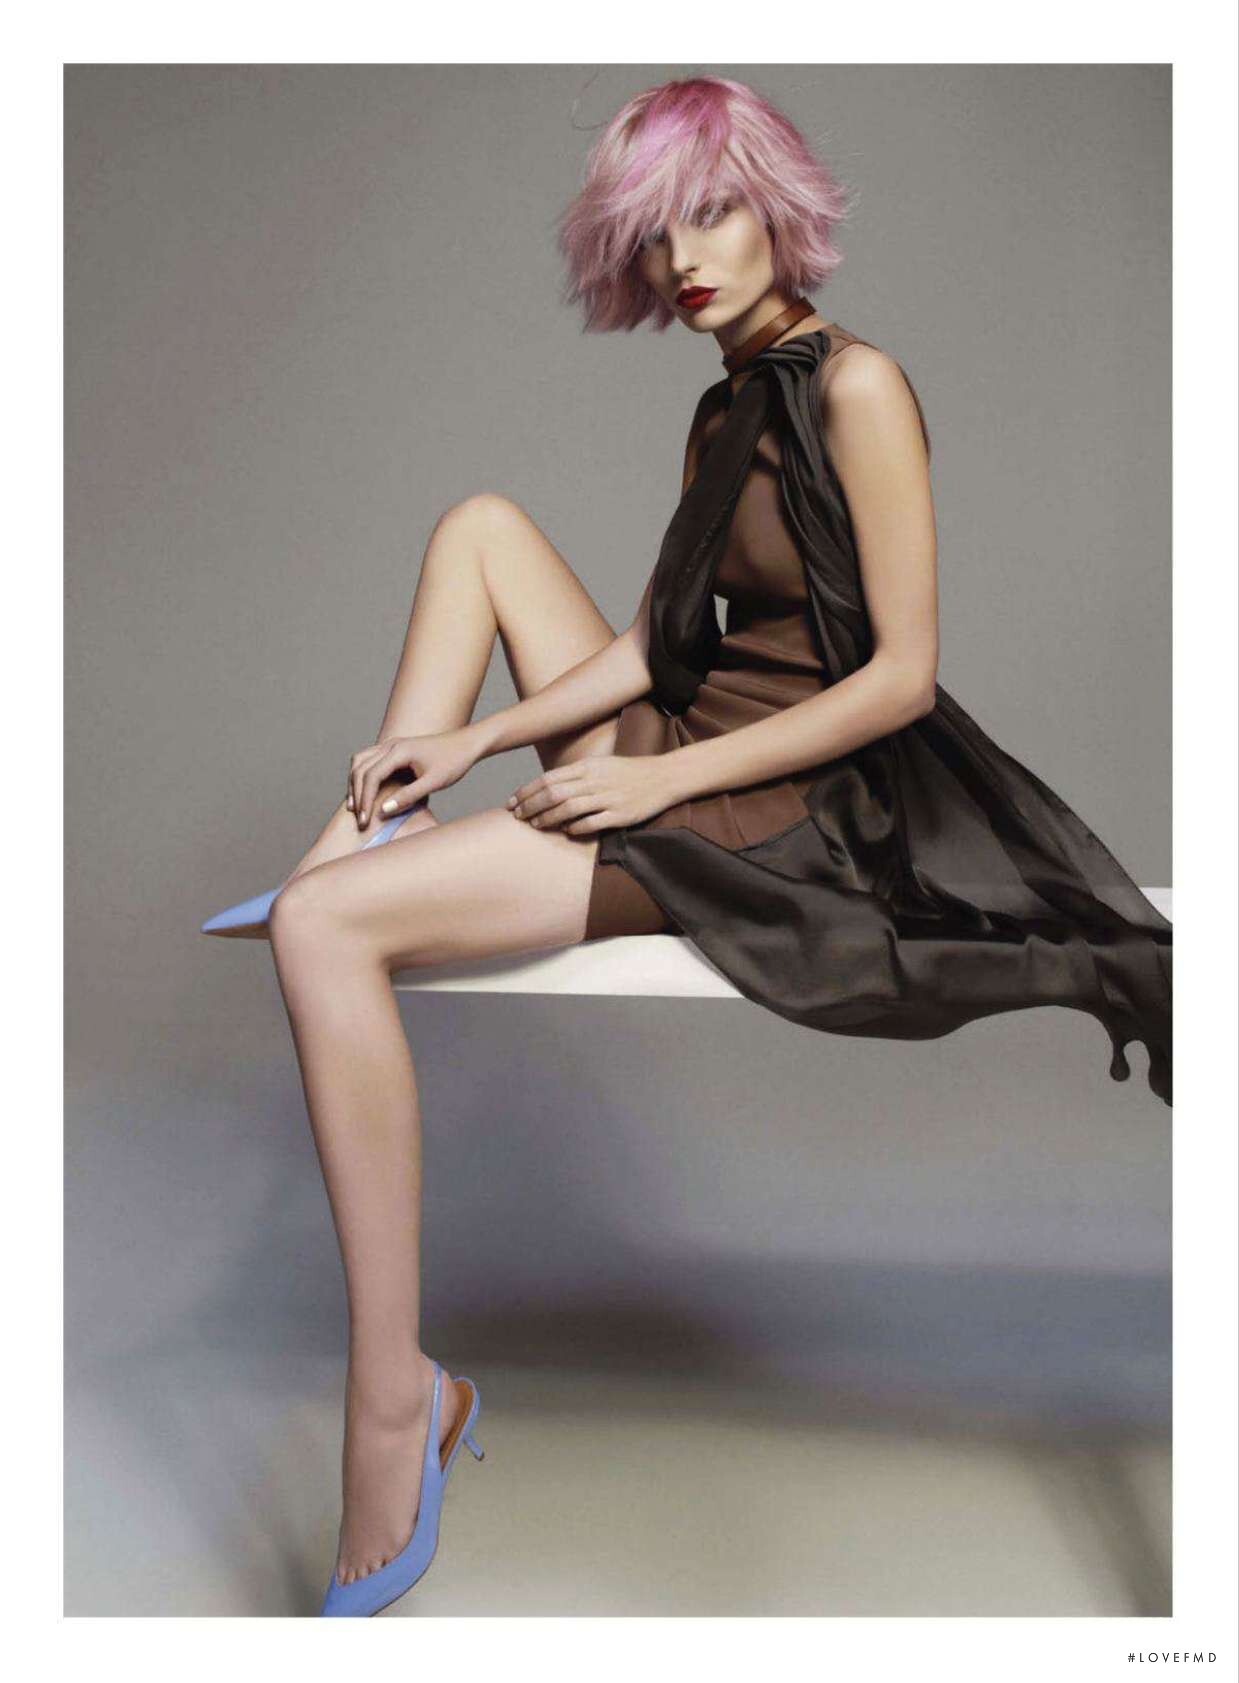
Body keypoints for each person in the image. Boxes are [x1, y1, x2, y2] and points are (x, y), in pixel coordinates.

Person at [199, 75, 1171, 1615]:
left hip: (790, 808)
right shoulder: (724, 404)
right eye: (656, 234)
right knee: (480, 526)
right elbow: (662, 643)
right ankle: (373, 830)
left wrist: (660, 792)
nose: (686, 258)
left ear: (776, 208)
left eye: (710, 215)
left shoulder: (861, 386)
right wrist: (478, 742)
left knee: (322, 933)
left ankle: (397, 1400)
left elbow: (903, 678)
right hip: (692, 746)